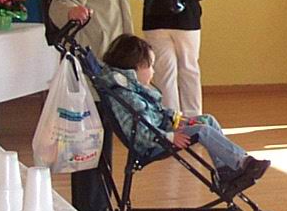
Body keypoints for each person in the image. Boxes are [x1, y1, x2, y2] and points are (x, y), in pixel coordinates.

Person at [48, 0, 135, 211]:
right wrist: (72, 10)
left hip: (111, 68)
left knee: (101, 148)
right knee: (90, 149)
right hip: (91, 68)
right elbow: (61, 4)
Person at [98, 35, 269, 197]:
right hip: (155, 141)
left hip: (161, 131)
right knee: (202, 130)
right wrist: (169, 137)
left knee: (207, 120)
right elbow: (141, 134)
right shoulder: (128, 96)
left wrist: (176, 120)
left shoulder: (131, 88)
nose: (153, 71)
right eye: (150, 66)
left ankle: (225, 170)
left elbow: (155, 113)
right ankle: (243, 162)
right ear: (135, 67)